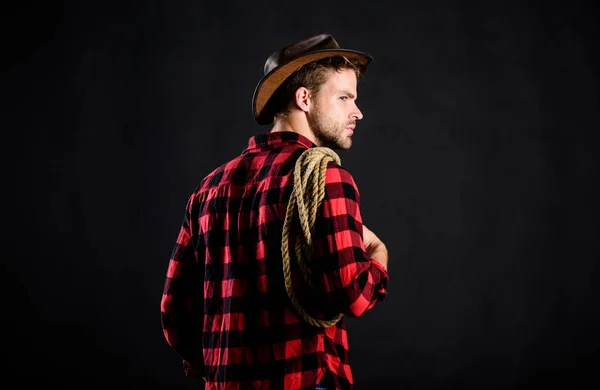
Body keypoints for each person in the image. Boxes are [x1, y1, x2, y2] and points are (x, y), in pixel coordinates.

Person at [161, 33, 390, 390]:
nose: (357, 112)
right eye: (344, 97)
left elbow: (174, 312)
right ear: (305, 99)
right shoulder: (328, 177)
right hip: (300, 379)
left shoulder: (209, 187)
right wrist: (378, 254)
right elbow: (354, 295)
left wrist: (220, 368)